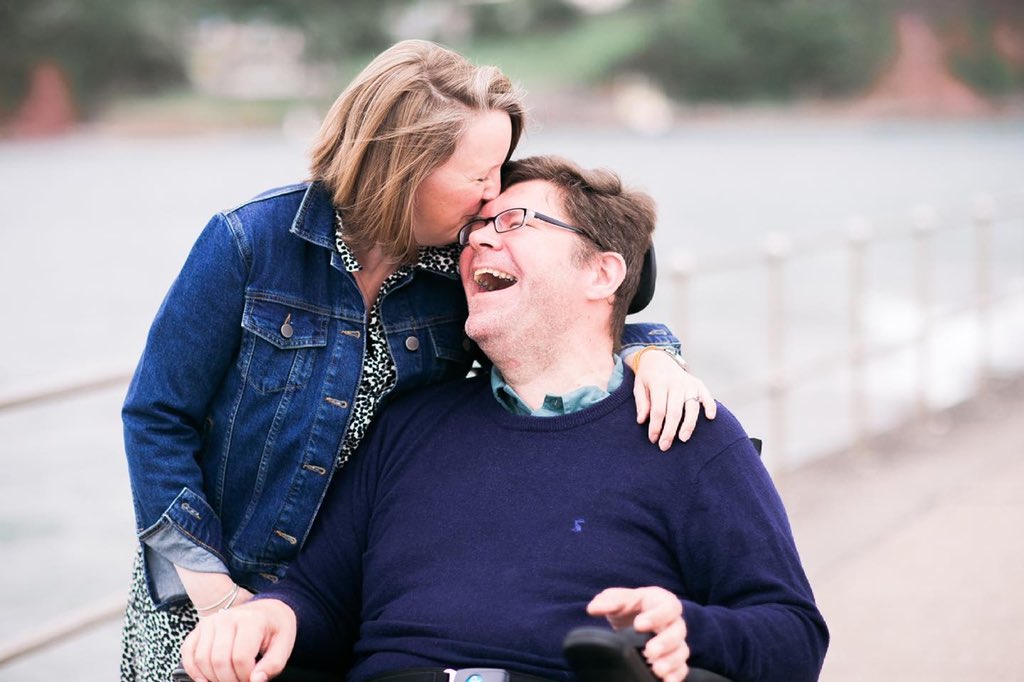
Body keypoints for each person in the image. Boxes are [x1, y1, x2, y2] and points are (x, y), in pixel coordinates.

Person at [120, 41, 713, 682]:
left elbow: (565, 315)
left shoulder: (447, 276)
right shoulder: (248, 243)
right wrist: (218, 596)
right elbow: (156, 417)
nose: (492, 197)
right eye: (479, 175)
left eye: (500, 171)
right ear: (403, 166)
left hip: (356, 587)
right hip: (211, 586)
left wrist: (652, 352)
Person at [180, 156, 829, 682]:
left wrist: (689, 626)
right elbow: (319, 596)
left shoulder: (686, 431)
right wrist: (269, 617)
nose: (480, 240)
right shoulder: (411, 423)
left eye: (516, 221)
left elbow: (795, 635)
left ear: (602, 273)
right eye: (474, 231)